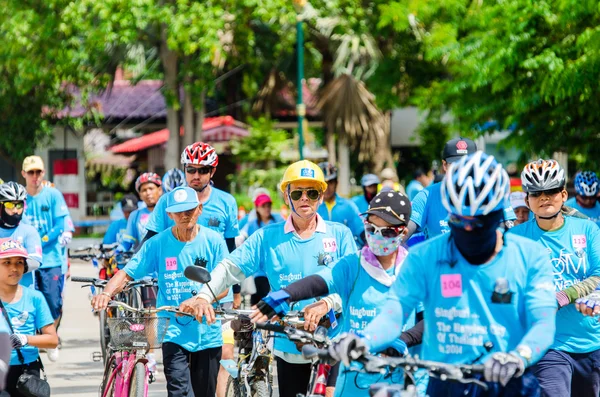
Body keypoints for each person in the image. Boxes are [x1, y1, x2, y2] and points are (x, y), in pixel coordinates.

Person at [328, 152, 557, 396]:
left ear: (500, 214)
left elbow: (543, 322)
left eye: (479, 223)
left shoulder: (531, 256)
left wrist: (520, 356)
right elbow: (393, 313)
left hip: (508, 379)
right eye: (461, 220)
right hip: (446, 382)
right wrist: (364, 339)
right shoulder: (426, 256)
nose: (469, 229)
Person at [191, 160, 358, 397]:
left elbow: (353, 282)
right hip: (288, 340)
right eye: (298, 192)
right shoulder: (267, 237)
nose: (304, 199)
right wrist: (204, 296)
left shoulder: (340, 234)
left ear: (321, 196)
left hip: (333, 337)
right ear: (287, 195)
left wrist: (327, 303)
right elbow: (229, 268)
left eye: (312, 192)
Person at [251, 190, 429, 397]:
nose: (377, 236)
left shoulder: (415, 269)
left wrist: (403, 339)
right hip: (353, 378)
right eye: (371, 228)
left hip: (395, 377)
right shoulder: (353, 264)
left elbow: (430, 319)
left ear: (403, 233)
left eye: (387, 232)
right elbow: (319, 281)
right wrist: (284, 294)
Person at [91, 187, 229, 397]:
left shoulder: (214, 241)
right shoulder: (157, 243)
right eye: (179, 211)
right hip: (172, 331)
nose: (185, 215)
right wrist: (106, 293)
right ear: (169, 214)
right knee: (178, 391)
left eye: (190, 210)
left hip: (207, 333)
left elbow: (224, 285)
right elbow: (128, 273)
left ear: (199, 209)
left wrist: (198, 300)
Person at [143, 142, 240, 397]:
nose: (196, 176)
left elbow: (231, 253)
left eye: (203, 170)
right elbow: (149, 243)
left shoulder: (226, 202)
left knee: (223, 356)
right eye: (191, 169)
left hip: (218, 292)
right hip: (176, 293)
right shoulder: (170, 201)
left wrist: (235, 293)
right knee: (179, 375)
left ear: (213, 172)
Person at [510, 159, 600, 397]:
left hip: (591, 340)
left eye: (550, 191)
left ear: (563, 194)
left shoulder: (587, 229)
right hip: (547, 345)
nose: (544, 197)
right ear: (527, 200)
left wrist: (564, 296)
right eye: (536, 193)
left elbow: (599, 274)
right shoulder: (515, 238)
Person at [21, 155, 70, 361]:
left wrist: (41, 239)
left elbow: (60, 224)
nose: (34, 176)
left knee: (53, 301)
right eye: (30, 172)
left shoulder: (53, 195)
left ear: (43, 173)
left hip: (50, 259)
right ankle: (33, 340)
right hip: (26, 260)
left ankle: (52, 335)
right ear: (24, 174)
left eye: (38, 172)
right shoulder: (20, 197)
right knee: (28, 300)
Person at [0, 238, 58, 397]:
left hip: (27, 373)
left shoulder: (35, 298)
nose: (14, 268)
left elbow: (53, 340)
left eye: (19, 262)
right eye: (7, 262)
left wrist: (26, 339)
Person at [0, 182, 42, 288]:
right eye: (10, 205)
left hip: (23, 296)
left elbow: (35, 261)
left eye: (19, 205)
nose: (15, 210)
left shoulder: (29, 231)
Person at [317, 162, 365, 247]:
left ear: (336, 183)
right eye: (323, 183)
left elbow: (362, 231)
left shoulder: (349, 206)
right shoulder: (312, 208)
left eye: (330, 182)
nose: (327, 187)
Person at [120, 173, 163, 251]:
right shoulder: (135, 215)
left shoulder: (170, 213)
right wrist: (116, 252)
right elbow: (127, 243)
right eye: (144, 190)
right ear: (140, 195)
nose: (148, 193)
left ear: (160, 190)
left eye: (151, 188)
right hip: (145, 260)